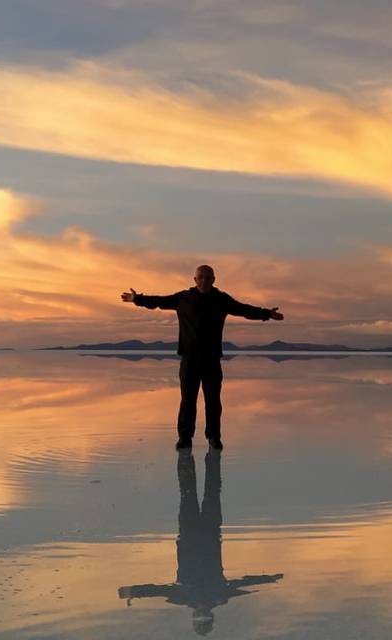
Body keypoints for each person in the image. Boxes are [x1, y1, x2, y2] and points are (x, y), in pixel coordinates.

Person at [117, 450, 283, 635]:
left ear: (193, 616)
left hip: (188, 534)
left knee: (188, 494)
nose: (201, 613)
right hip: (210, 533)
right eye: (205, 618)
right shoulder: (221, 596)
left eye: (198, 618)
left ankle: (187, 457)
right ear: (211, 616)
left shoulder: (182, 598)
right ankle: (211, 455)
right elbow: (246, 585)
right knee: (211, 492)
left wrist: (133, 591)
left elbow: (157, 591)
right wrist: (269, 579)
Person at [121, 265, 283, 450]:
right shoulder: (183, 298)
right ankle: (184, 438)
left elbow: (244, 310)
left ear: (214, 279)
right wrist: (137, 299)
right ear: (195, 279)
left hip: (211, 359)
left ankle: (214, 437)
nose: (204, 280)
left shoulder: (221, 299)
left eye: (208, 277)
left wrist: (267, 314)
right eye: (201, 277)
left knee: (213, 401)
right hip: (189, 359)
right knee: (187, 401)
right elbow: (159, 301)